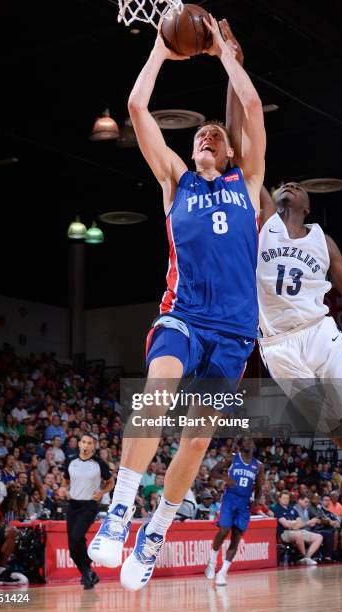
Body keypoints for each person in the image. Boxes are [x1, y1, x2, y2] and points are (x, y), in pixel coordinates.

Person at [87, 14, 265, 593]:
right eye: (198, 136)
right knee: (157, 389)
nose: (205, 138)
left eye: (216, 135)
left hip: (234, 331)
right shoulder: (176, 181)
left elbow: (253, 109)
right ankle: (120, 508)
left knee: (195, 438)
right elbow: (138, 110)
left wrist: (224, 55)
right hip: (183, 315)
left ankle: (157, 527)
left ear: (233, 151)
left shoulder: (249, 184)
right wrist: (164, 50)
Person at [259, 183, 342, 478]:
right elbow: (250, 168)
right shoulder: (263, 226)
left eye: (298, 186)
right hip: (276, 344)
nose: (290, 185)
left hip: (319, 333)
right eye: (283, 185)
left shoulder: (323, 240)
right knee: (327, 421)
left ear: (307, 207)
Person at [205, 438, 264, 585]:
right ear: (240, 444)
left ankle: (223, 572)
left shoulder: (258, 465)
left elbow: (259, 486)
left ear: (254, 444)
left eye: (250, 441)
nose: (248, 443)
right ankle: (212, 562)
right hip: (230, 499)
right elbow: (213, 472)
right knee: (224, 530)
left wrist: (256, 500)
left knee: (236, 537)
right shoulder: (232, 458)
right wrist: (226, 478)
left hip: (244, 503)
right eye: (245, 441)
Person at [64, 433, 114, 589]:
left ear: (94, 446)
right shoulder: (70, 461)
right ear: (79, 444)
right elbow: (66, 480)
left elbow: (110, 482)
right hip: (72, 505)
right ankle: (89, 573)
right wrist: (64, 489)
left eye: (89, 443)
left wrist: (101, 492)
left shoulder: (99, 463)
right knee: (72, 550)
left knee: (77, 535)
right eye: (83, 442)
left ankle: (86, 572)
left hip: (89, 505)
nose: (86, 445)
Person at [273, 490, 323, 565]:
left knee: (319, 537)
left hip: (297, 530)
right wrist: (295, 523)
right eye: (284, 498)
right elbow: (285, 525)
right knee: (298, 535)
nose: (286, 500)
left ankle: (307, 557)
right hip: (284, 533)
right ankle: (305, 557)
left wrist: (292, 524)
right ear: (279, 499)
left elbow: (299, 523)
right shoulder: (276, 509)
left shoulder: (292, 509)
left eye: (287, 498)